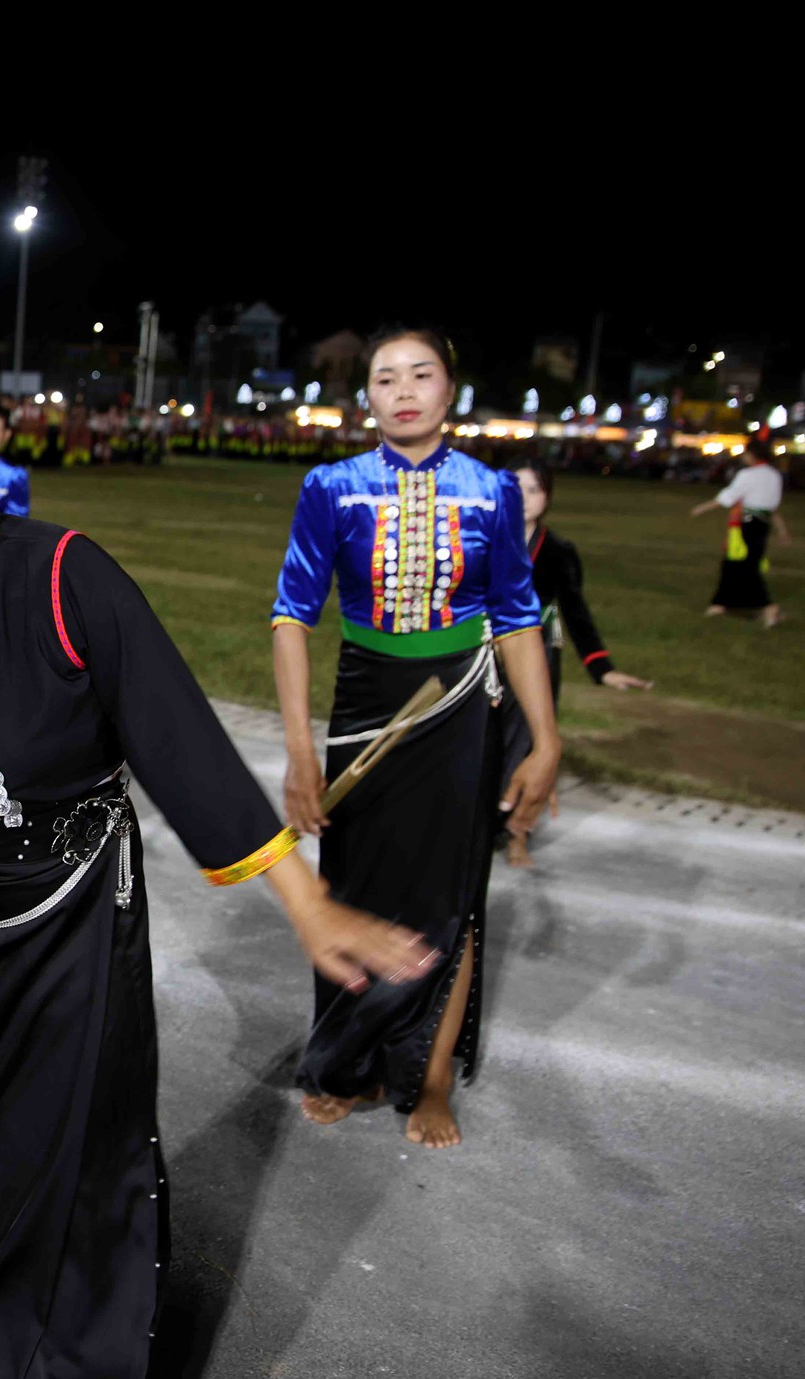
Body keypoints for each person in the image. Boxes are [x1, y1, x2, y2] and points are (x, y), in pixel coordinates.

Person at [0, 297, 434, 1376]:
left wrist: (306, 903)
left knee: (71, 1160)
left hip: (71, 917)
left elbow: (182, 746)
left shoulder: (64, 571)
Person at [272, 326, 560, 1150]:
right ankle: (344, 1063)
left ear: (450, 389)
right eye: (384, 377)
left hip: (462, 707)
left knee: (451, 898)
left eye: (420, 373)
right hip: (365, 698)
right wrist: (299, 748)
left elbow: (516, 615)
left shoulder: (493, 490)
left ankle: (427, 1076)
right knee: (354, 884)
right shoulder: (331, 485)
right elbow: (293, 614)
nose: (402, 389)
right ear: (366, 397)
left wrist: (545, 738)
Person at [498, 460, 652, 867]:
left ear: (547, 497)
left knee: (528, 743)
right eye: (515, 488)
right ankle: (474, 827)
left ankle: (518, 834)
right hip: (484, 652)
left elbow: (576, 611)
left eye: (533, 490)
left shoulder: (558, 551)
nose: (523, 498)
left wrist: (602, 667)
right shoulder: (482, 539)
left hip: (539, 655)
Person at [691, 438, 789, 629]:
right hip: (762, 525)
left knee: (746, 567)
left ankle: (768, 606)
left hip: (747, 524)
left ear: (752, 455)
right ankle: (720, 603)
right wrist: (782, 530)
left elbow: (728, 496)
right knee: (732, 564)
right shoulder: (774, 475)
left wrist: (702, 508)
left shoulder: (748, 474)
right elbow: (772, 507)